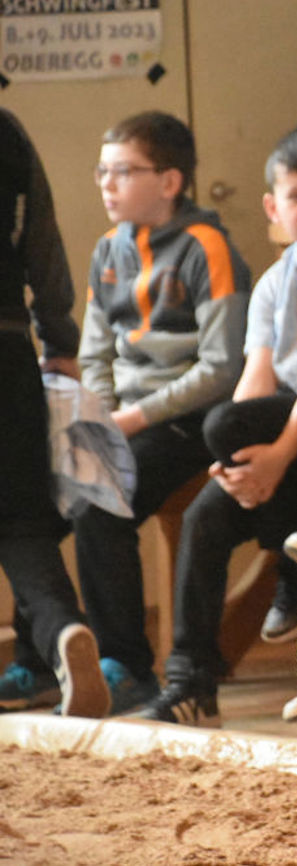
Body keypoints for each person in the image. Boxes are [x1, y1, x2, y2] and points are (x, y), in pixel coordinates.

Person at [130, 123, 297, 726]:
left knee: (292, 477)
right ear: (274, 205)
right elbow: (255, 382)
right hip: (277, 423)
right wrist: (234, 463)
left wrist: (276, 458)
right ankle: (191, 679)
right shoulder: (272, 282)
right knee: (207, 511)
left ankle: (290, 565)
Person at [73, 111, 251, 715]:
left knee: (102, 495)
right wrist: (101, 411)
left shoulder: (207, 246)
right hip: (127, 416)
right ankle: (61, 661)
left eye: (123, 171)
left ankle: (128, 667)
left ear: (170, 182)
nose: (107, 183)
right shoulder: (106, 249)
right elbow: (94, 348)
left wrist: (134, 418)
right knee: (59, 491)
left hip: (189, 416)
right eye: (103, 170)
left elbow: (221, 368)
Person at [0, 108, 110, 719]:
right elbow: (41, 242)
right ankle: (64, 631)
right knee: (21, 523)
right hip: (10, 348)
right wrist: (59, 340)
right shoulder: (10, 131)